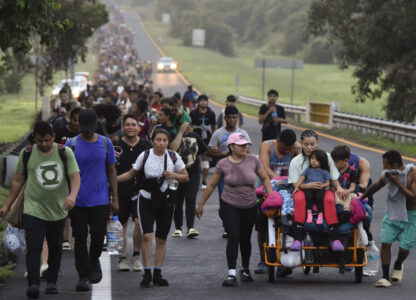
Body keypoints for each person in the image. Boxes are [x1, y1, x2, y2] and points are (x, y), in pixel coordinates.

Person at [0, 121, 80, 298]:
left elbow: (74, 177)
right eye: (39, 141)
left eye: (47, 140)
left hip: (58, 210)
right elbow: (17, 181)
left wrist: (72, 196)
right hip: (33, 208)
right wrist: (6, 205)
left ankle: (52, 282)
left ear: (53, 137)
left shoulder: (64, 152)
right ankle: (33, 283)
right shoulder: (27, 153)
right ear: (34, 139)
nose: (43, 144)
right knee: (34, 246)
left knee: (55, 247)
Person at [196, 132, 275, 287]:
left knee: (245, 238)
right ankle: (231, 273)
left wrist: (271, 197)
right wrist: (201, 204)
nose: (244, 147)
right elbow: (211, 185)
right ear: (231, 146)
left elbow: (265, 178)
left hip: (250, 205)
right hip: (229, 204)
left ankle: (245, 269)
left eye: (246, 144)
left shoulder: (253, 160)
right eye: (240, 145)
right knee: (233, 236)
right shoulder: (223, 164)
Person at [117, 128, 189, 287]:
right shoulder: (145, 155)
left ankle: (158, 273)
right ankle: (147, 273)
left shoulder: (173, 156)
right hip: (146, 199)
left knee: (161, 239)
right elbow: (130, 174)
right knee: (147, 236)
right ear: (152, 140)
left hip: (166, 200)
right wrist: (112, 181)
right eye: (159, 140)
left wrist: (173, 175)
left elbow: (185, 177)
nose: (162, 143)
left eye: (165, 140)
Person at [65, 109, 119, 292]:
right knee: (79, 238)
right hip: (78, 200)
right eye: (84, 128)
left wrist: (115, 198)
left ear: (96, 125)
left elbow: (112, 171)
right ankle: (83, 275)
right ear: (78, 125)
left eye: (90, 128)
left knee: (98, 236)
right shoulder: (71, 144)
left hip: (100, 199)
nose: (87, 132)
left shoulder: (105, 143)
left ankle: (93, 258)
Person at [359, 150, 416, 288]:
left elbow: (413, 196)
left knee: (404, 248)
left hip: (412, 215)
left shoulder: (413, 173)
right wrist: (360, 199)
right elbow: (377, 185)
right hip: (393, 213)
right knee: (385, 243)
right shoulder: (388, 174)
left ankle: (398, 264)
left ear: (396, 165)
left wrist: (397, 182)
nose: (384, 169)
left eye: (386, 166)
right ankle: (384, 277)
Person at [288, 130, 345, 252]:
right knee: (299, 199)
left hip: (323, 189)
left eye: (312, 144)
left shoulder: (327, 157)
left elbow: (334, 178)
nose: (309, 148)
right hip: (303, 189)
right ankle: (297, 239)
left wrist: (339, 188)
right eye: (306, 144)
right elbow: (295, 184)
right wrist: (309, 186)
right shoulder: (295, 162)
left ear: (317, 143)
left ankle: (335, 239)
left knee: (329, 199)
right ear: (301, 144)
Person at [255, 128, 297, 274]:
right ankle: (262, 258)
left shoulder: (294, 149)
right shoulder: (267, 146)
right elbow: (263, 166)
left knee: (289, 223)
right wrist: (277, 180)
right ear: (278, 141)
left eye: (288, 149)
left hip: (288, 192)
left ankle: (285, 259)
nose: (286, 151)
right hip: (268, 191)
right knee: (263, 226)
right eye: (283, 148)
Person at [206, 106, 251, 238]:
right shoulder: (218, 133)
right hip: (223, 172)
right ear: (225, 118)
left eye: (234, 117)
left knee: (239, 199)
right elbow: (208, 151)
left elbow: (248, 152)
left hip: (240, 172)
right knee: (224, 201)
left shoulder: (243, 133)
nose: (232, 120)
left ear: (237, 118)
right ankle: (227, 226)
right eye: (229, 117)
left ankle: (236, 224)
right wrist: (217, 152)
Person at [115, 114, 152, 272]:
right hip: (119, 189)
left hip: (140, 190)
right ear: (123, 127)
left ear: (139, 127)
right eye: (127, 125)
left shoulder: (146, 145)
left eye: (133, 125)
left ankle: (136, 256)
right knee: (120, 224)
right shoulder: (115, 145)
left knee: (139, 223)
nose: (130, 127)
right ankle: (121, 257)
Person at [170, 124, 207, 238]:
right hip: (178, 173)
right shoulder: (173, 135)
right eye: (184, 125)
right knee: (178, 200)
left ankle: (190, 227)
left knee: (191, 198)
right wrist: (180, 133)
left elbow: (204, 149)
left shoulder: (195, 135)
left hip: (193, 172)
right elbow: (172, 149)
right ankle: (178, 228)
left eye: (188, 125)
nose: (186, 127)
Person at [292, 149, 332, 226]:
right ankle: (309, 213)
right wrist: (297, 187)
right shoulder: (308, 170)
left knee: (320, 198)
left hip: (320, 189)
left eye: (317, 160)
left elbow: (328, 183)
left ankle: (320, 214)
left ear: (322, 161)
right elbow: (301, 179)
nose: (313, 161)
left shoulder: (325, 171)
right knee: (308, 197)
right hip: (309, 188)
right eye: (312, 158)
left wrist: (323, 185)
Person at [190, 94, 216, 190]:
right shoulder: (193, 113)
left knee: (206, 162)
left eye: (205, 100)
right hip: (195, 140)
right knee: (193, 161)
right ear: (198, 102)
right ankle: (193, 180)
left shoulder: (211, 113)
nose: (203, 102)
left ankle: (204, 181)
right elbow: (190, 125)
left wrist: (215, 139)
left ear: (207, 102)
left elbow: (214, 127)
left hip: (207, 140)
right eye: (201, 100)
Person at [330, 145, 360, 223]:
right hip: (337, 192)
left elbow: (353, 187)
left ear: (346, 160)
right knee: (337, 193)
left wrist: (347, 191)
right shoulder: (334, 170)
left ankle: (346, 212)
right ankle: (339, 209)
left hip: (349, 193)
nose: (334, 163)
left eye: (336, 161)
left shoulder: (352, 171)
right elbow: (333, 182)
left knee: (347, 196)